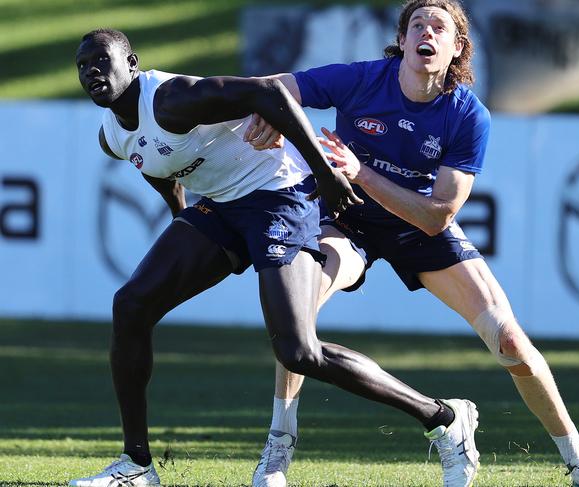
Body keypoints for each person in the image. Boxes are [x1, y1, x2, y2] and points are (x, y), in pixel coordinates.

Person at [70, 27, 481, 487]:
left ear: (132, 64)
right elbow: (156, 165)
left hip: (278, 196)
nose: (92, 72)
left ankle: (443, 417)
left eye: (101, 61)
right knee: (130, 306)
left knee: (299, 352)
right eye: (83, 66)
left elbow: (268, 92)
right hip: (222, 208)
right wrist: (180, 217)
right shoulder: (112, 134)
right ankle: (137, 466)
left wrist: (324, 172)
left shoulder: (173, 98)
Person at [246, 1, 579, 487]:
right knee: (296, 314)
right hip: (346, 219)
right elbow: (275, 88)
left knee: (509, 340)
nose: (426, 32)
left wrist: (362, 172)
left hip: (414, 220)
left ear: (456, 48)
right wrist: (268, 111)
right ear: (402, 41)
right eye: (416, 25)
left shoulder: (468, 114)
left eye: (438, 27)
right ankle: (278, 448)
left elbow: (438, 214)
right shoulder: (362, 79)